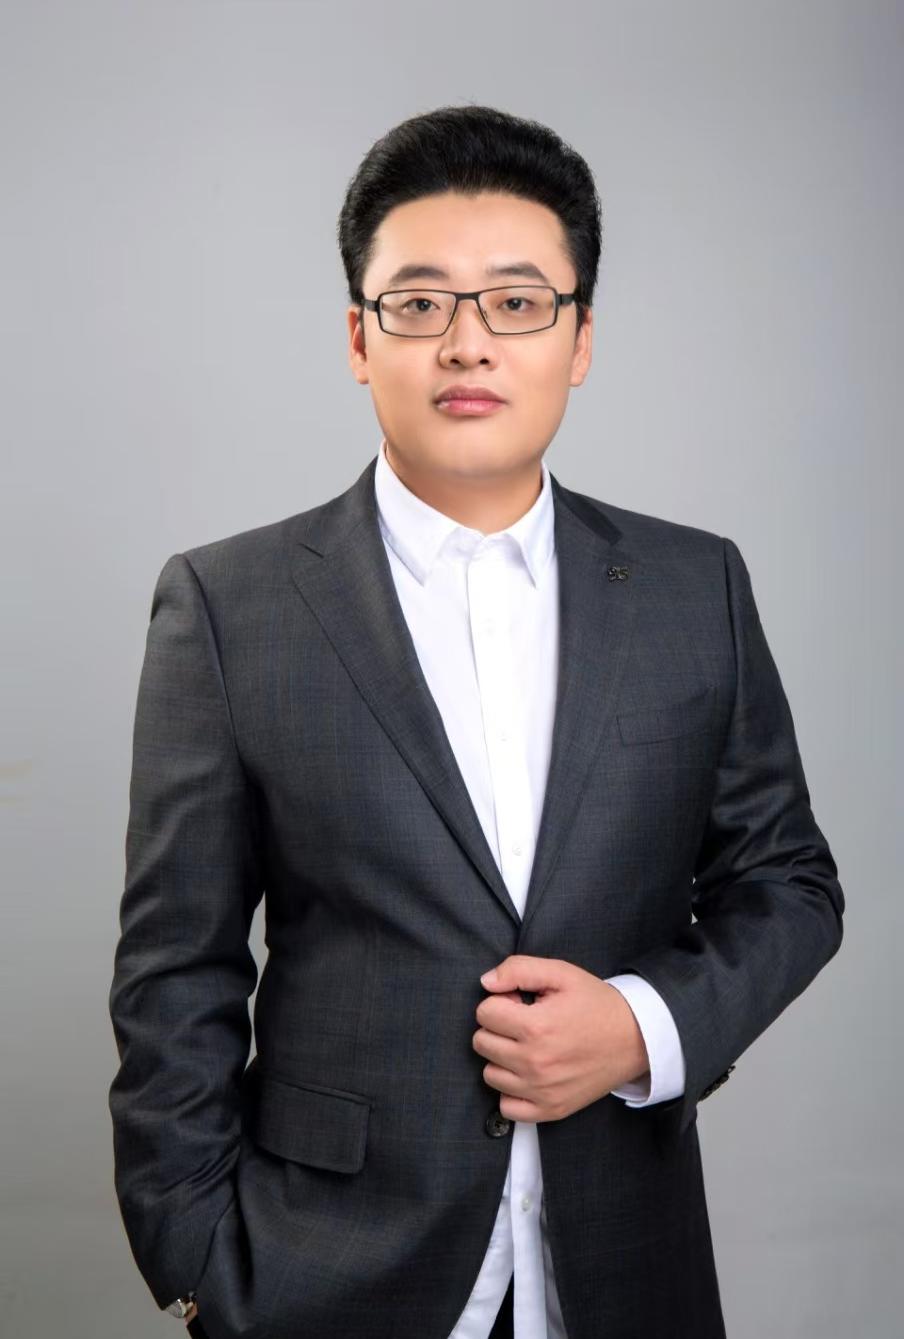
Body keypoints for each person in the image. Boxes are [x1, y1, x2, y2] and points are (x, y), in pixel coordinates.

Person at [108, 104, 845, 1339]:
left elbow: (788, 883)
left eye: (515, 302)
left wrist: (641, 1027)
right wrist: (193, 1262)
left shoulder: (693, 587)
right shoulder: (230, 605)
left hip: (626, 1262)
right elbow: (176, 964)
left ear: (580, 337)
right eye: (418, 303)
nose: (467, 343)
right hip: (325, 1271)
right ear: (359, 337)